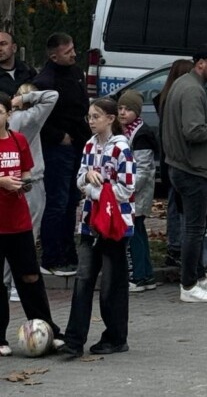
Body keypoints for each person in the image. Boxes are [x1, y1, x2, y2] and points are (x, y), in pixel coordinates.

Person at [59, 97, 134, 359]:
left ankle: (116, 337)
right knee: (83, 281)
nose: (91, 121)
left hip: (115, 224)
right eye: (89, 116)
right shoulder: (90, 145)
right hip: (91, 222)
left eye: (96, 116)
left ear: (111, 119)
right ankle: (73, 340)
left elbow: (126, 189)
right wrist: (88, 180)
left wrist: (96, 188)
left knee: (113, 285)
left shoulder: (122, 148)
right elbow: (80, 177)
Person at [161, 43, 207, 303]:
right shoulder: (191, 89)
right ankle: (189, 286)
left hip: (182, 166)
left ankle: (199, 277)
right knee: (193, 228)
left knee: (198, 225)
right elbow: (192, 131)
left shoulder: (183, 84)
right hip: (191, 168)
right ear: (200, 62)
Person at [0, 91, 64, 357]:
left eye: (0, 110)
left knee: (30, 276)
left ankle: (48, 329)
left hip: (18, 221)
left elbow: (27, 171)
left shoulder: (18, 139)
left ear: (8, 114)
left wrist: (23, 183)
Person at [34, 32, 90, 276]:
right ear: (54, 55)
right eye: (68, 52)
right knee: (56, 202)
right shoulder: (45, 81)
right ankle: (52, 256)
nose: (74, 55)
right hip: (58, 147)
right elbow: (39, 119)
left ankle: (69, 252)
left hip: (77, 142)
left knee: (71, 201)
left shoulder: (76, 73)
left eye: (73, 50)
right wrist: (59, 136)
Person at [4, 83, 58, 301]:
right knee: (27, 237)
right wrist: (26, 99)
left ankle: (6, 282)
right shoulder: (29, 119)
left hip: (7, 183)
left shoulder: (10, 123)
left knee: (7, 237)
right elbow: (52, 95)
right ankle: (17, 284)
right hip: (30, 182)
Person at [154, 58, 194, 268]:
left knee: (173, 203)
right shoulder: (177, 101)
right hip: (179, 161)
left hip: (168, 161)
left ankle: (175, 246)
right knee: (179, 205)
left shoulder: (164, 99)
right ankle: (177, 248)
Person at [117, 91, 158, 293]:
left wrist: (128, 189)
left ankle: (138, 275)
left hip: (136, 193)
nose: (123, 113)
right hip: (132, 191)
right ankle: (146, 274)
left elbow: (143, 169)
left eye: (128, 109)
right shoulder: (125, 131)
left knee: (133, 233)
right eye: (120, 109)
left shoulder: (141, 135)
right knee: (138, 232)